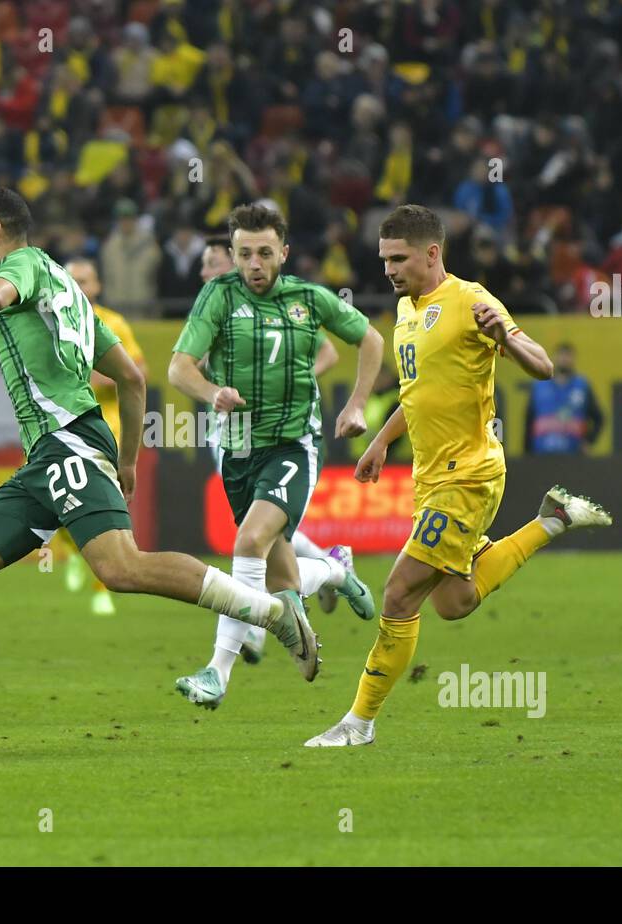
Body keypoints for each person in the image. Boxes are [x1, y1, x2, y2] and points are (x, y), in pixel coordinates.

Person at [0, 188, 318, 746]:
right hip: (52, 454)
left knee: (121, 568)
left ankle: (272, 611)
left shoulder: (19, 269)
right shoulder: (65, 287)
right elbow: (132, 378)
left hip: (67, 441)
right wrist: (127, 462)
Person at [305, 205, 612, 748]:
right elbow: (418, 392)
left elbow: (542, 365)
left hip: (468, 473)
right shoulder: (405, 310)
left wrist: (508, 339)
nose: (388, 270)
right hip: (431, 475)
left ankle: (358, 724)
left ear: (432, 253)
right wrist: (380, 441)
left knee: (399, 594)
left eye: (398, 259)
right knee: (453, 602)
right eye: (383, 260)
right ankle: (553, 521)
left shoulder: (472, 300)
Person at [168, 203, 386, 709]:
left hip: (293, 445)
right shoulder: (218, 297)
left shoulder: (309, 299)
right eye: (244, 254)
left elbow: (371, 339)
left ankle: (217, 673)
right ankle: (334, 571)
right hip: (238, 447)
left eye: (264, 253)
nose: (254, 264)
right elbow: (179, 368)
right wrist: (212, 393)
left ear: (284, 252)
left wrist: (356, 405)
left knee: (247, 544)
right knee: (275, 578)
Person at [200, 233, 348, 612]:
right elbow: (189, 366)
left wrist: (294, 382)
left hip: (275, 433)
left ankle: (249, 634)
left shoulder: (281, 307)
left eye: (213, 262)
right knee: (257, 529)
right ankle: (327, 568)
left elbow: (329, 352)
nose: (205, 271)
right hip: (229, 431)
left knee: (255, 529)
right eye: (203, 264)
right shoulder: (213, 306)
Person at [57, 257, 149, 617]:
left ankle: (100, 588)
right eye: (72, 280)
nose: (79, 286)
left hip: (104, 430)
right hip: (60, 430)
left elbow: (139, 371)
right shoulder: (53, 323)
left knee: (97, 516)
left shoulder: (113, 323)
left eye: (85, 280)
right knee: (56, 507)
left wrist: (105, 380)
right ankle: (79, 557)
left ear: (96, 286)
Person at [524, 343, 604, 454]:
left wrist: (589, 441)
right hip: (541, 455)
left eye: (568, 356)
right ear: (554, 358)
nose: (564, 359)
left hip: (573, 456)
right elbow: (529, 420)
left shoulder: (582, 386)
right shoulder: (539, 385)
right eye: (561, 355)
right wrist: (527, 451)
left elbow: (599, 418)